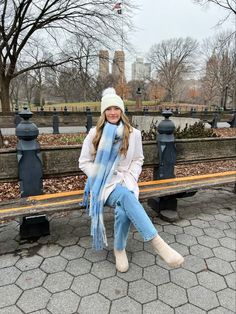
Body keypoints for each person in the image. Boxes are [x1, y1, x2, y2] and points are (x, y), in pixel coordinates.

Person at [79, 87, 184, 272]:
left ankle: (119, 248)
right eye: (109, 109)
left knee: (124, 207)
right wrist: (102, 173)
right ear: (104, 112)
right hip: (104, 184)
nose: (113, 112)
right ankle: (158, 244)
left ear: (122, 110)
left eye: (116, 108)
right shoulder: (94, 134)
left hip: (126, 180)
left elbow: (138, 159)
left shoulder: (133, 133)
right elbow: (84, 162)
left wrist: (131, 176)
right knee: (126, 197)